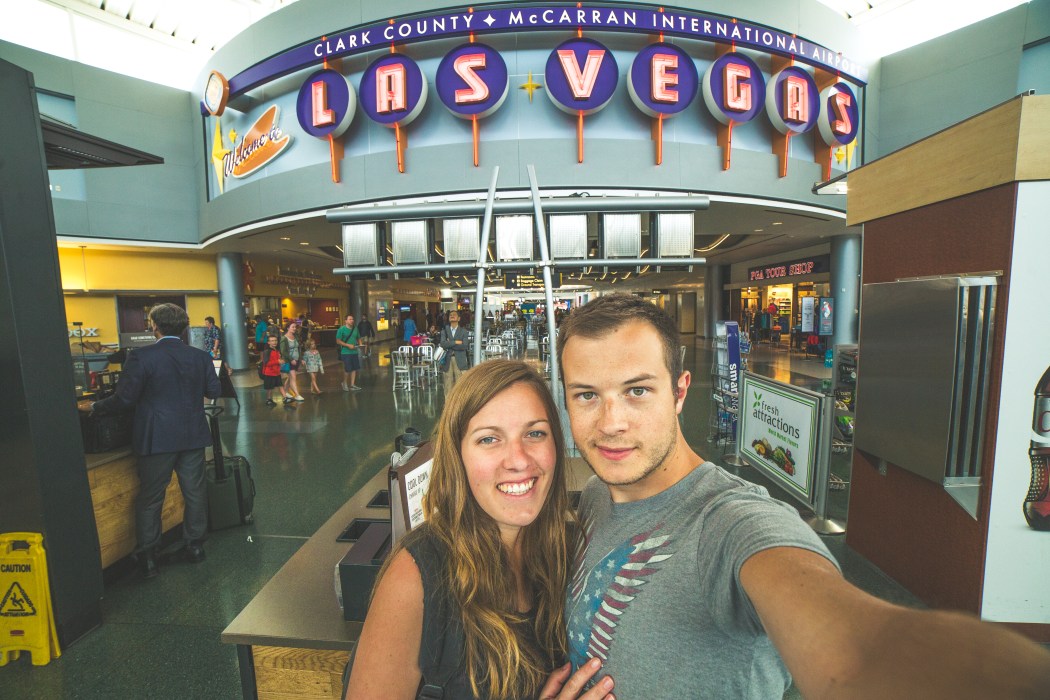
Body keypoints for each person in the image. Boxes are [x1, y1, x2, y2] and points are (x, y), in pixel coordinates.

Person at [556, 294, 1050, 698]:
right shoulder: (599, 493)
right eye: (587, 395)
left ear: (680, 392)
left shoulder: (731, 524)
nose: (611, 423)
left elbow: (859, 651)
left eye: (637, 391)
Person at [345, 360, 611, 700]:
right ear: (458, 456)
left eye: (535, 433)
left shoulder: (566, 551)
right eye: (488, 439)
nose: (518, 460)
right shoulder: (416, 577)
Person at [83, 303, 220, 578]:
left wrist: (94, 407)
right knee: (194, 492)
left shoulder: (141, 356)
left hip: (156, 437)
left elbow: (124, 399)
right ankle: (195, 546)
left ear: (154, 326)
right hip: (192, 434)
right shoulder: (200, 357)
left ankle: (148, 557)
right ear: (184, 327)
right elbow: (213, 391)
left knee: (151, 497)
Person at [438, 309, 470, 393]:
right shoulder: (444, 331)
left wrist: (449, 343)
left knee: (460, 385)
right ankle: (448, 401)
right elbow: (443, 344)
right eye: (450, 315)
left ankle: (460, 401)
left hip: (460, 360)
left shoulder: (463, 331)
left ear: (459, 318)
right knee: (448, 384)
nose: (452, 316)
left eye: (454, 315)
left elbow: (464, 346)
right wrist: (455, 342)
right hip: (447, 360)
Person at [335, 314, 362, 392]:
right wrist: (348, 345)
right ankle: (344, 383)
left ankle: (352, 385)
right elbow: (338, 341)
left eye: (352, 319)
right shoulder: (341, 329)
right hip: (345, 352)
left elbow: (358, 338)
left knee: (354, 368)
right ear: (345, 321)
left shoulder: (355, 329)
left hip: (354, 352)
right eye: (350, 319)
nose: (352, 320)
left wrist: (360, 344)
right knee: (348, 369)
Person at [260, 334, 288, 406]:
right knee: (270, 387)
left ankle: (285, 398)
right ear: (268, 342)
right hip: (269, 373)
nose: (274, 342)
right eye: (272, 341)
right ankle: (268, 399)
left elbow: (277, 360)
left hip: (276, 372)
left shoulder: (277, 350)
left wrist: (280, 361)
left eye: (275, 340)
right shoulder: (267, 351)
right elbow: (266, 363)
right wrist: (277, 361)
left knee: (280, 385)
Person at [279, 322, 304, 402]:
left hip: (296, 360)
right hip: (289, 361)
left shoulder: (295, 336)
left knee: (290, 377)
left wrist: (301, 358)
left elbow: (299, 348)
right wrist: (291, 359)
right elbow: (283, 351)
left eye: (295, 327)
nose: (294, 328)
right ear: (288, 328)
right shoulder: (284, 338)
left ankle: (285, 391)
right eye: (292, 327)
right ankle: (297, 394)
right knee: (293, 377)